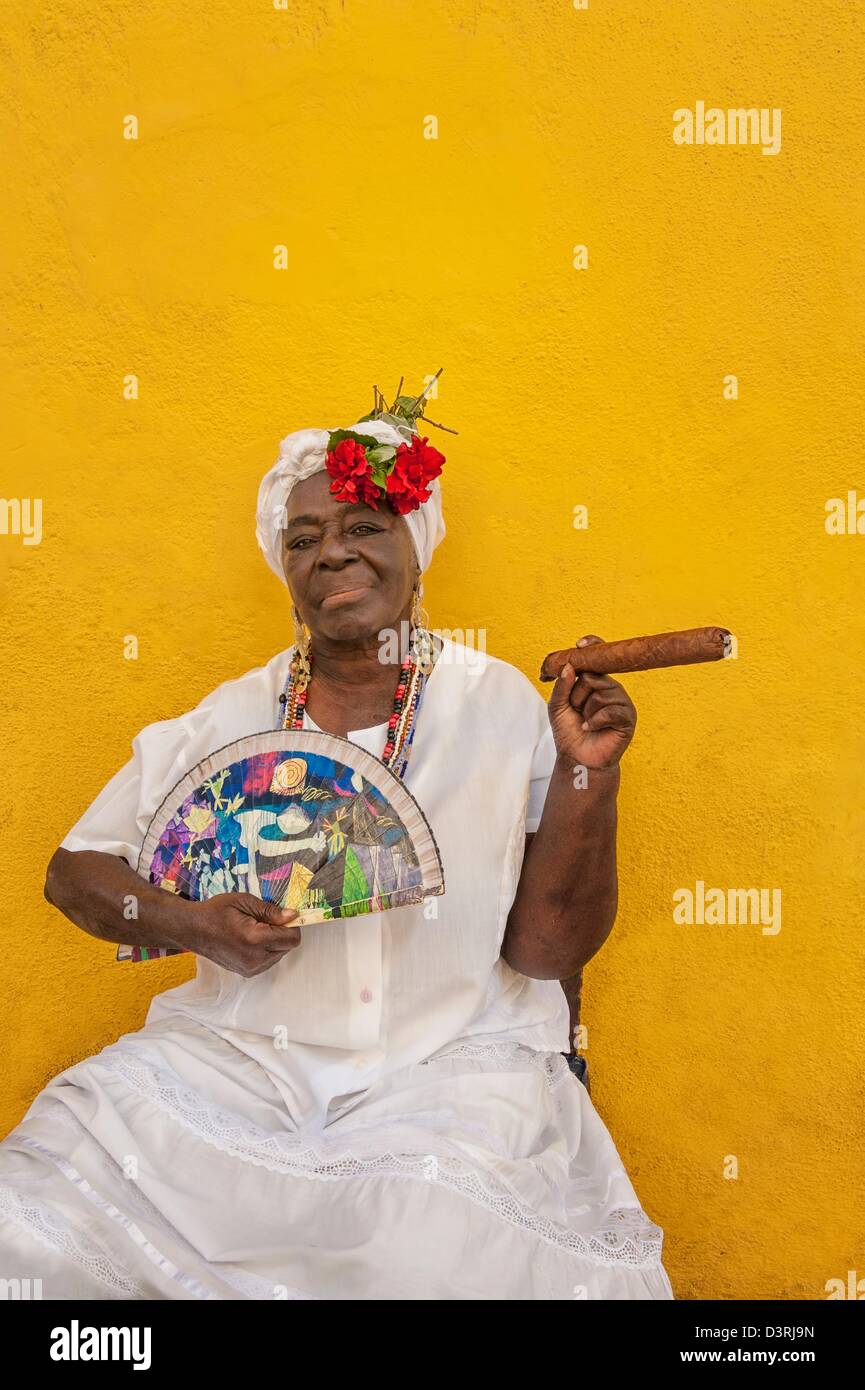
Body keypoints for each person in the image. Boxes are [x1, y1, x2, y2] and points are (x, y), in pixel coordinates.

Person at [0, 383, 674, 1300]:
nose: (332, 555)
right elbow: (73, 872)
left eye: (363, 527)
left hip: (452, 1069)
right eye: (304, 539)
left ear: (415, 549)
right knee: (38, 1195)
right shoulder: (230, 717)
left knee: (421, 1246)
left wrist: (588, 773)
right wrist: (191, 922)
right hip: (237, 1066)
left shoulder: (502, 703)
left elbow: (547, 949)